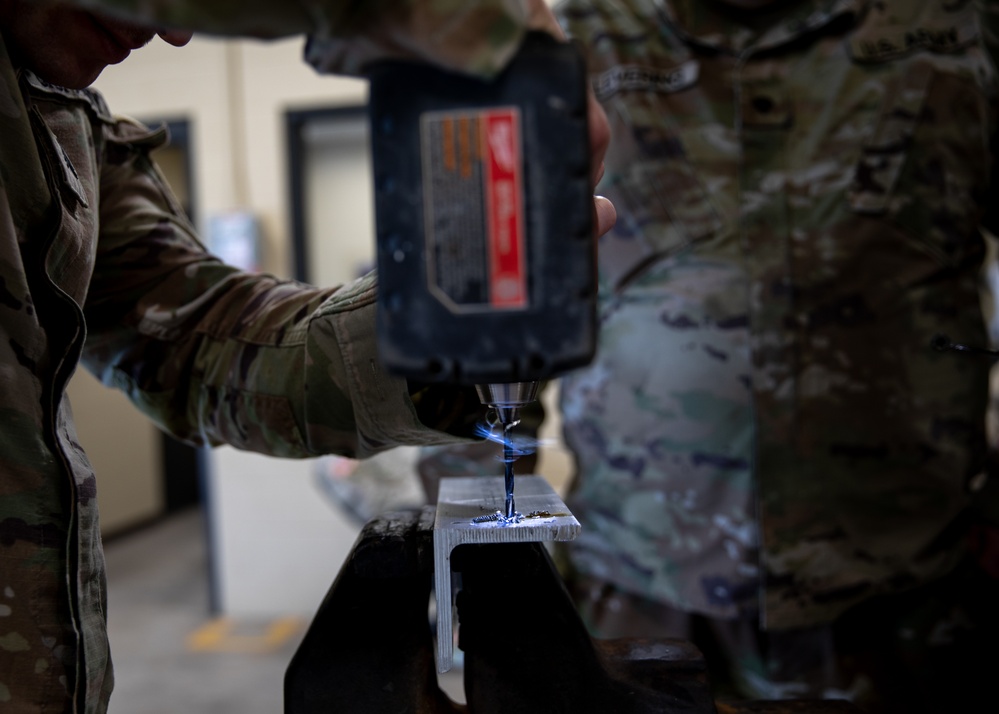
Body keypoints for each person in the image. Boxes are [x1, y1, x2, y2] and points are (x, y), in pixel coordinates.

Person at [0, 1, 614, 710]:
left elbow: (197, 342)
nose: (174, 32)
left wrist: (437, 327)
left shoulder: (63, 124)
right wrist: (472, 20)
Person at [548, 0, 999, 712]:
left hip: (911, 600)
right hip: (634, 599)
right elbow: (473, 298)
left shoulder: (958, 27)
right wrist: (484, 564)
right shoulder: (571, 44)